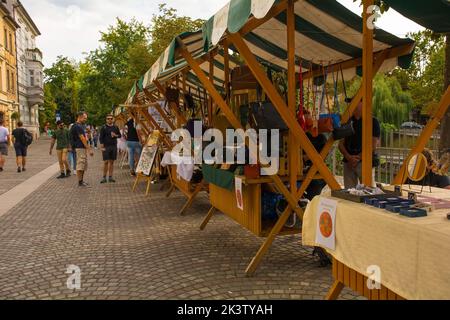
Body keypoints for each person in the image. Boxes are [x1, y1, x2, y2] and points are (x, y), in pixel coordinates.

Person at [339, 101, 381, 189]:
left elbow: (373, 145)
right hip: (348, 163)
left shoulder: (373, 121)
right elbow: (340, 144)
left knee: (368, 192)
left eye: (354, 102)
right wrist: (349, 158)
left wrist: (357, 158)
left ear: (363, 103)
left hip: (365, 162)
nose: (351, 104)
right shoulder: (346, 121)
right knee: (349, 194)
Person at [70, 112, 94, 187]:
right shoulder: (77, 126)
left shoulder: (80, 126)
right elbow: (82, 139)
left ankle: (81, 181)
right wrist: (89, 149)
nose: (85, 120)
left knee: (83, 165)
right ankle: (80, 182)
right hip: (79, 148)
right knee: (80, 165)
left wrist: (89, 132)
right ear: (80, 117)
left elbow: (86, 138)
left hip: (81, 147)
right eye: (84, 118)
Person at [99, 114, 121, 184]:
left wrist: (115, 135)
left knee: (111, 162)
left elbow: (119, 135)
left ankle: (110, 177)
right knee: (105, 162)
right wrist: (102, 146)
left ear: (113, 119)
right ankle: (104, 177)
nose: (110, 120)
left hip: (113, 146)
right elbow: (101, 137)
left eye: (111, 118)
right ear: (106, 120)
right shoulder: (103, 127)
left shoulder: (115, 127)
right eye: (108, 119)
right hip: (106, 146)